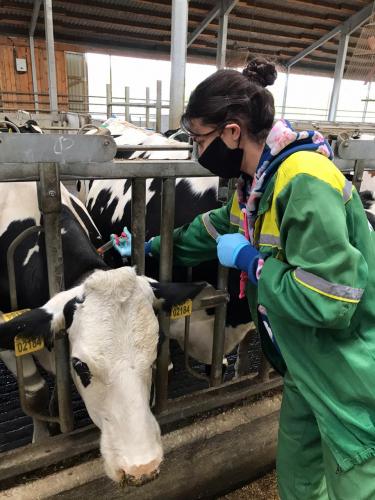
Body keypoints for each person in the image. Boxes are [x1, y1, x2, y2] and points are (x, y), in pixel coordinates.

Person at [112, 58, 375, 499]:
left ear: (232, 132)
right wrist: (148, 247)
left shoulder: (304, 181)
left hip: (347, 367)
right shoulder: (257, 185)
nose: (197, 152)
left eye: (199, 139)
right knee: (299, 480)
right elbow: (213, 229)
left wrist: (254, 264)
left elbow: (331, 300)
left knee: (356, 480)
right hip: (301, 363)